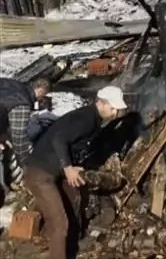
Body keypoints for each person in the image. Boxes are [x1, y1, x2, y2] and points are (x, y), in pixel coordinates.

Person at [23, 85, 127, 259]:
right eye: (113, 108)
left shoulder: (93, 118)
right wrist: (68, 167)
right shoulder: (86, 118)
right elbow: (59, 140)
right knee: (59, 224)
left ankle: (69, 247)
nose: (115, 113)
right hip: (40, 174)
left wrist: (73, 165)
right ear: (101, 103)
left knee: (74, 198)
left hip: (53, 170)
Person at [0, 77, 50, 167]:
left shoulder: (14, 84)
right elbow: (19, 139)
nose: (41, 98)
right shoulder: (22, 103)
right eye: (44, 95)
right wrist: (26, 163)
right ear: (41, 90)